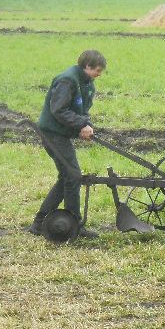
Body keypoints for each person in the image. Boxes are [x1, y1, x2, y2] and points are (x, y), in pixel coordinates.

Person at [27, 49, 106, 238]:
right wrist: (81, 124)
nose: (99, 74)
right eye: (97, 70)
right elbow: (58, 110)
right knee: (73, 176)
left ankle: (39, 223)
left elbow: (82, 111)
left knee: (67, 177)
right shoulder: (67, 81)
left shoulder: (87, 84)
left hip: (61, 134)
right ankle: (74, 224)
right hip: (52, 133)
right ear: (87, 66)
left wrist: (86, 124)